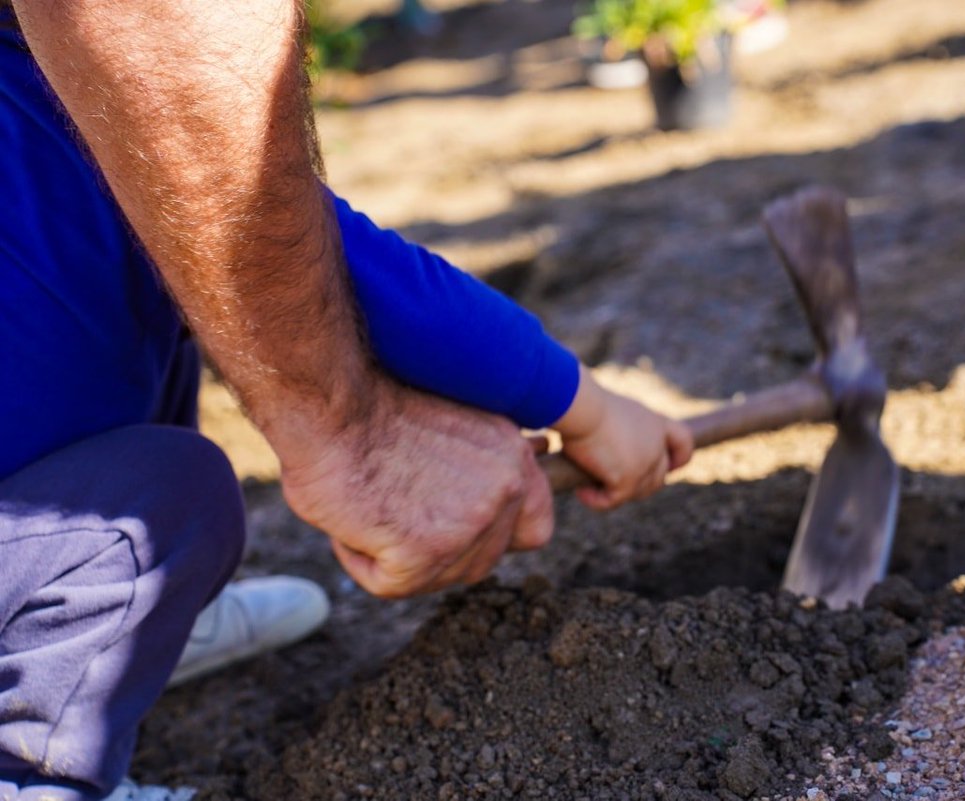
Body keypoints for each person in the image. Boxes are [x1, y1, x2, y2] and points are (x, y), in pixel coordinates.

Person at [0, 1, 693, 800]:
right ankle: (33, 771)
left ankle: (140, 623)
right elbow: (383, 289)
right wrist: (594, 412)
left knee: (163, 326)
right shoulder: (112, 106)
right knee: (174, 492)